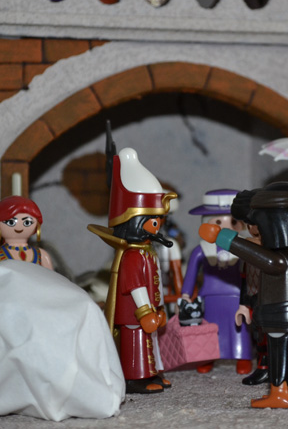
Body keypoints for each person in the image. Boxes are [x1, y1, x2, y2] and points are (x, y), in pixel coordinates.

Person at [199, 182, 288, 408]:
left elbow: (260, 257)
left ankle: (279, 392)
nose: (254, 227)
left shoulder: (278, 258)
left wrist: (223, 238)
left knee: (278, 352)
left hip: (280, 313)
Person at [88, 147, 176, 394]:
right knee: (136, 343)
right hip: (134, 312)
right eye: (154, 222)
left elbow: (155, 282)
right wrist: (145, 311)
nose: (158, 228)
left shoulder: (147, 251)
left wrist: (159, 308)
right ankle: (134, 377)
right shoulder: (133, 256)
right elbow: (136, 285)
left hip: (148, 309)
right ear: (136, 221)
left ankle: (151, 373)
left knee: (150, 343)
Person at [180, 189, 252, 375]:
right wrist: (186, 294)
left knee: (240, 327)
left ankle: (243, 356)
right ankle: (207, 357)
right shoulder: (201, 250)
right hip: (209, 296)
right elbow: (191, 273)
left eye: (233, 222)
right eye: (218, 222)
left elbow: (252, 271)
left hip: (237, 296)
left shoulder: (244, 248)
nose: (226, 226)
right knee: (209, 330)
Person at [0, 196, 53, 270]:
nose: (19, 226)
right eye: (11, 222)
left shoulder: (42, 255)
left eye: (27, 222)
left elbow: (50, 277)